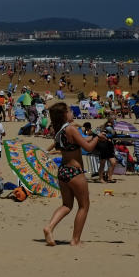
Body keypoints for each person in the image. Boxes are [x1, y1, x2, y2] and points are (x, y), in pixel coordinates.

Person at [43, 102, 103, 246]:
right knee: (84, 206)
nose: (72, 112)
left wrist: (95, 136)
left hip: (63, 170)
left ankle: (49, 227)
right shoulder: (71, 129)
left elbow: (80, 142)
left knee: (67, 205)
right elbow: (88, 148)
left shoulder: (59, 131)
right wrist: (95, 139)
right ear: (64, 115)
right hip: (75, 172)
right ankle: (75, 240)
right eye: (69, 110)